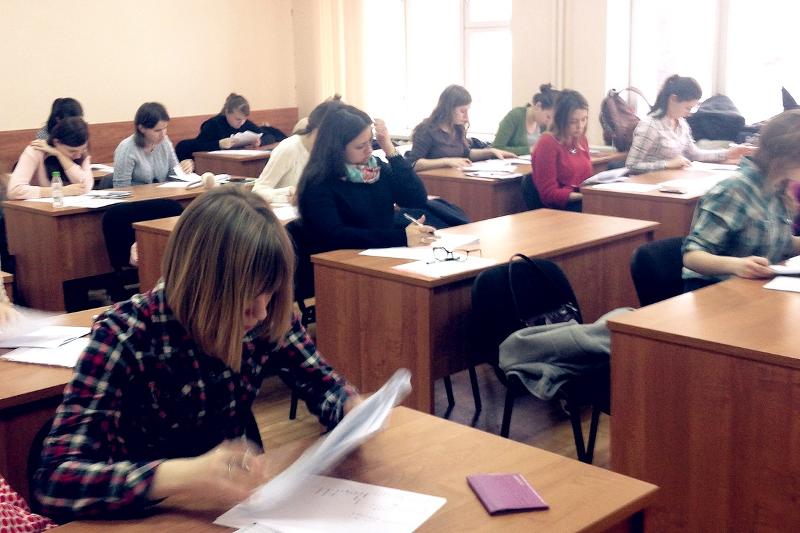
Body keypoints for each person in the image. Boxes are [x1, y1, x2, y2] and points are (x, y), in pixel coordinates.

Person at [34, 187, 361, 521]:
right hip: (151, 517)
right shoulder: (125, 335)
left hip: (232, 509)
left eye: (270, 293)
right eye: (247, 297)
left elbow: (324, 385)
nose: (262, 312)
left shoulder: (267, 315)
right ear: (200, 285)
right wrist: (182, 475)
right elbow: (54, 481)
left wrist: (349, 407)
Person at [682, 110, 800, 291]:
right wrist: (736, 265)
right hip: (713, 289)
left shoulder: (778, 187)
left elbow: (779, 240)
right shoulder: (734, 190)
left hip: (754, 287)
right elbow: (692, 256)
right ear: (785, 157)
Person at [297, 105, 435, 252]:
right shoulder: (319, 181)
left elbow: (415, 199)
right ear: (337, 149)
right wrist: (401, 237)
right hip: (338, 259)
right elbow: (335, 235)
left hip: (381, 253)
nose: (369, 150)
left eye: (370, 141)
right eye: (360, 146)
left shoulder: (374, 169)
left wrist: (389, 149)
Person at [626, 75, 754, 174]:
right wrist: (667, 164)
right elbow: (632, 165)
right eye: (688, 108)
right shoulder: (650, 125)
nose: (689, 113)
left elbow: (694, 154)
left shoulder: (681, 124)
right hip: (648, 185)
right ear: (673, 99)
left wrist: (729, 153)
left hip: (671, 180)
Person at [252, 96, 343, 203]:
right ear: (319, 129)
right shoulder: (289, 148)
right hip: (285, 211)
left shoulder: (331, 152)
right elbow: (257, 192)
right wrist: (286, 193)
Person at [406, 85, 516, 170]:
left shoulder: (458, 128)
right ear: (448, 109)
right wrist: (446, 161)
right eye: (462, 111)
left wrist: (490, 151)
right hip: (434, 182)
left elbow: (466, 154)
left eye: (467, 111)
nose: (466, 117)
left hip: (455, 179)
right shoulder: (426, 130)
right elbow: (413, 163)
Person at [175, 93, 286, 161]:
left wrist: (260, 141)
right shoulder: (213, 125)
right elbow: (197, 146)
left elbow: (269, 135)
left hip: (238, 160)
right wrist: (219, 144)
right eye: (237, 119)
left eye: (244, 119)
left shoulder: (245, 123)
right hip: (217, 165)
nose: (241, 123)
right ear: (227, 112)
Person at [530, 89, 591, 211]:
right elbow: (548, 194)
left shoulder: (581, 140)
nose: (580, 126)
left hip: (581, 200)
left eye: (584, 119)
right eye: (573, 122)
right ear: (560, 120)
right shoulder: (547, 143)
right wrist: (585, 197)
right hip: (563, 208)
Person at [7, 117, 93, 200]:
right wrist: (60, 191)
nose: (78, 156)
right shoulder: (36, 149)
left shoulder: (81, 153)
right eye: (72, 151)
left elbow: (85, 186)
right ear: (56, 142)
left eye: (83, 149)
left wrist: (59, 154)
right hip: (38, 208)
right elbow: (14, 190)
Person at [112, 102, 193, 188]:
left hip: (163, 193)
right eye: (157, 130)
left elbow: (174, 175)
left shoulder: (165, 141)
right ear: (142, 128)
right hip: (137, 196)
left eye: (165, 128)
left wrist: (184, 169)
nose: (163, 134)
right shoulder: (127, 148)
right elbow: (121, 188)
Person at [493, 83, 560, 155]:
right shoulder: (515, 116)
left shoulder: (543, 125)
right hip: (511, 162)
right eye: (548, 116)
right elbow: (497, 148)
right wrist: (529, 150)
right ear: (538, 106)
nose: (549, 122)